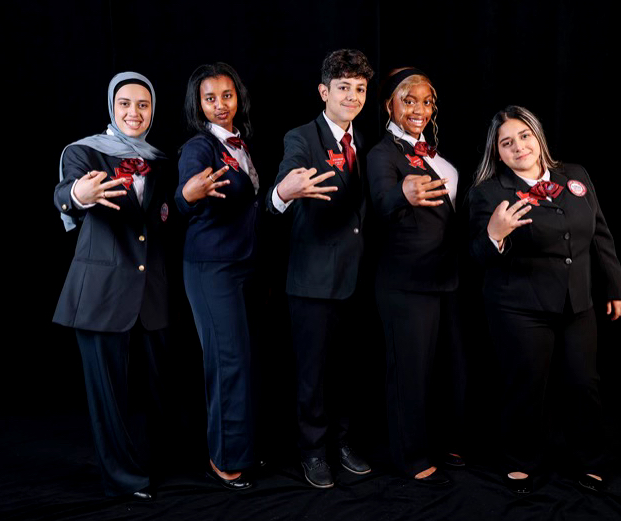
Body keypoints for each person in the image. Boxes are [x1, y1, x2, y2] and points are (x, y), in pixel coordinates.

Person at [468, 105, 621, 494]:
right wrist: (495, 234)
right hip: (519, 306)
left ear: (537, 138)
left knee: (583, 383)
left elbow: (600, 233)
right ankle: (520, 461)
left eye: (524, 136)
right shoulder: (488, 193)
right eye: (507, 143)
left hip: (577, 302)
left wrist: (615, 286)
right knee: (526, 385)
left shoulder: (575, 176)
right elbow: (477, 256)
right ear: (498, 153)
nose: (518, 146)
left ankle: (590, 460)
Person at [53, 71, 171, 501]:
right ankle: (121, 479)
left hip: (151, 293)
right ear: (111, 106)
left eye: (143, 105)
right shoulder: (84, 152)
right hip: (100, 292)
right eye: (125, 103)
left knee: (156, 391)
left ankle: (153, 463)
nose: (134, 113)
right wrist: (79, 195)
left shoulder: (161, 160)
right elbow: (67, 192)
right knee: (108, 397)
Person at [267, 49, 375, 489]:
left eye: (360, 89)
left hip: (357, 277)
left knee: (348, 369)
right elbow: (287, 181)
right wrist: (283, 192)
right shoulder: (302, 137)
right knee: (312, 374)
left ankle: (342, 442)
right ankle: (312, 451)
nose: (352, 97)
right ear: (324, 91)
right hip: (312, 280)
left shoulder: (366, 143)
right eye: (343, 88)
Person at [367, 68, 466, 487]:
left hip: (447, 277)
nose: (419, 110)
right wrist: (401, 195)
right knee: (409, 371)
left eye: (426, 102)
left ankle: (445, 440)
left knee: (447, 368)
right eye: (409, 101)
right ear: (390, 104)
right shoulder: (381, 154)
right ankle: (410, 455)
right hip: (405, 283)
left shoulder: (432, 153)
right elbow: (379, 202)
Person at [175, 62, 261, 490]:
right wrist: (188, 195)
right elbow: (186, 191)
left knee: (243, 358)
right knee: (228, 362)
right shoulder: (199, 146)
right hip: (211, 268)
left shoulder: (241, 144)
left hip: (242, 265)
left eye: (227, 95)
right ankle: (224, 457)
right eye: (210, 98)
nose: (220, 104)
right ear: (199, 104)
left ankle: (240, 447)